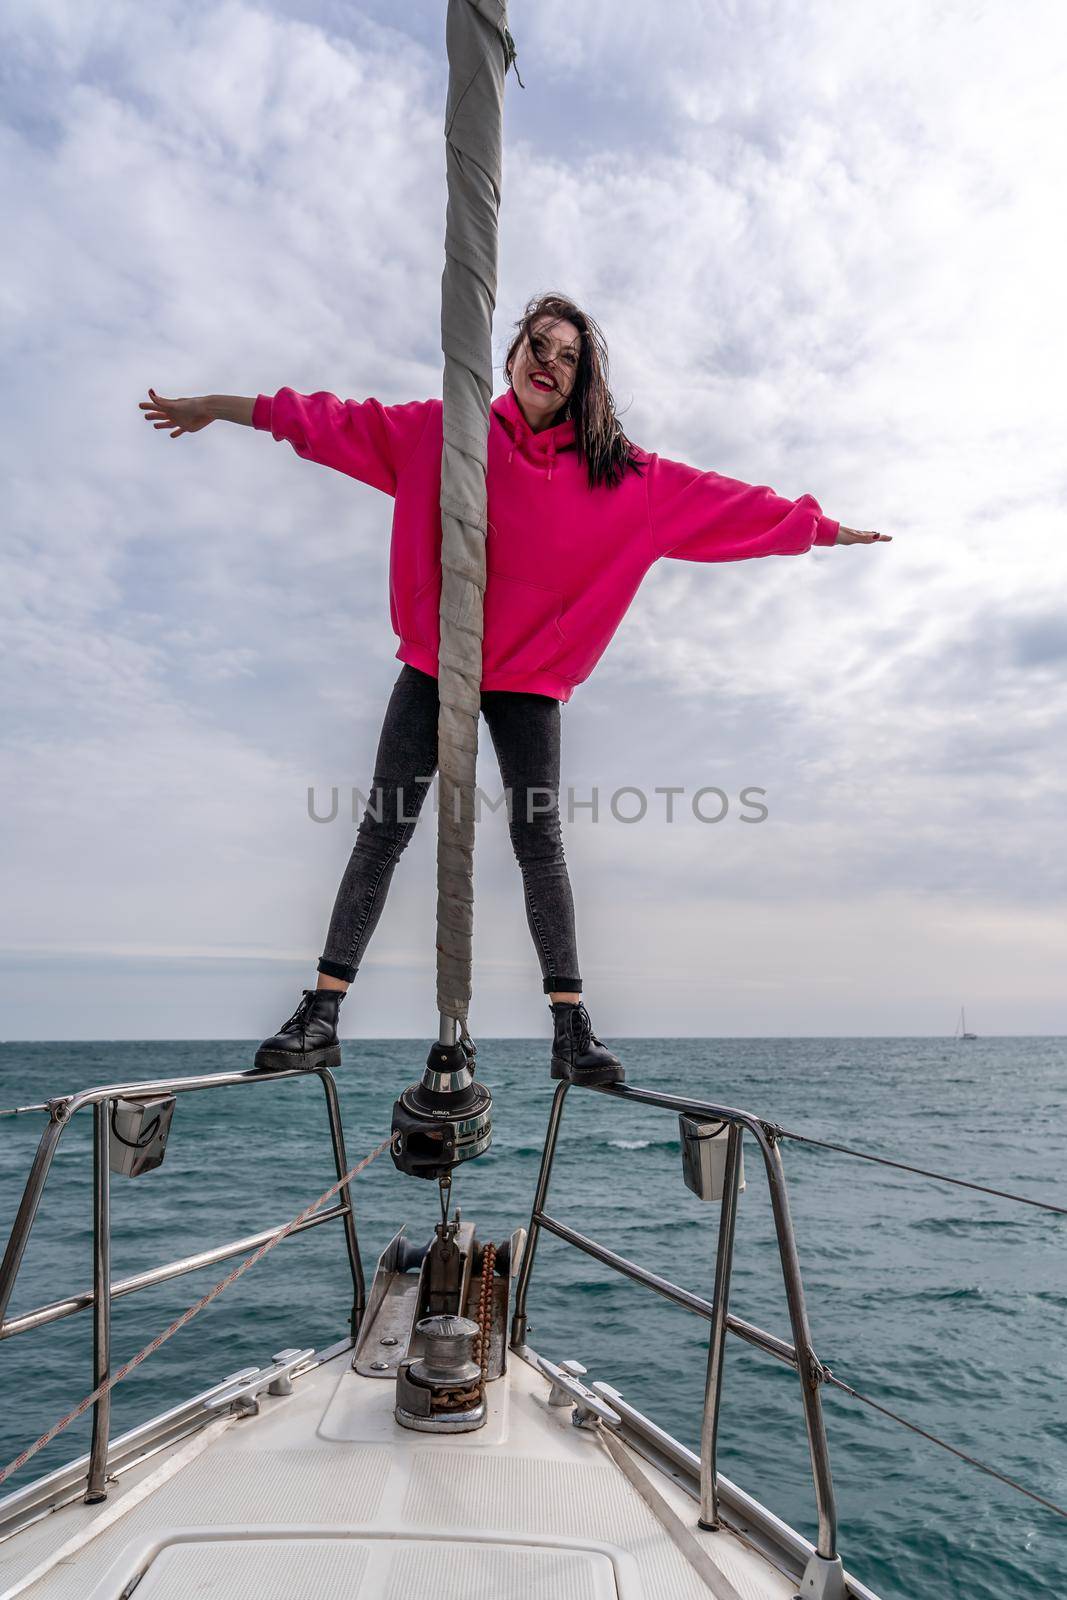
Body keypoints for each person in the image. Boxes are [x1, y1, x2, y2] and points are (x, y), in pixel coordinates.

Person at [139, 291, 890, 1084]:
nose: (550, 364)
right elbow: (324, 420)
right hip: (434, 663)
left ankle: (570, 1030)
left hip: (529, 681)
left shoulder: (622, 476)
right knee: (382, 830)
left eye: (568, 356)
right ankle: (319, 1014)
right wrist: (216, 409)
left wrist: (822, 528)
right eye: (539, 345)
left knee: (539, 844)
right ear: (510, 354)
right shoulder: (441, 433)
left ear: (581, 378)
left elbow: (726, 503)